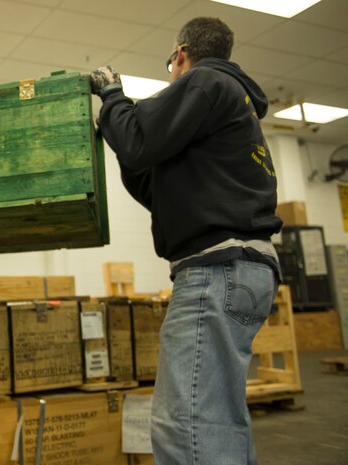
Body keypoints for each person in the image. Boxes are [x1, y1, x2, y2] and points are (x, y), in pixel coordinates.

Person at [90, 17, 282, 465]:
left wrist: (113, 96)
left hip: (216, 271)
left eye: (172, 64)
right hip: (245, 269)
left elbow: (140, 142)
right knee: (219, 420)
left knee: (187, 427)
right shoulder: (231, 108)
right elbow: (152, 180)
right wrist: (122, 134)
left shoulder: (204, 81)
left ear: (180, 54)